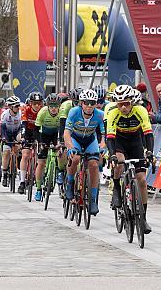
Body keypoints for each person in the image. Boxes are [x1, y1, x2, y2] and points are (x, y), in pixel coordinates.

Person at [106, 85, 153, 234]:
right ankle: (116, 188)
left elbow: (148, 134)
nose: (124, 107)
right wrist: (112, 154)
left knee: (142, 180)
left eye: (127, 103)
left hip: (135, 142)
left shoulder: (140, 110)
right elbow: (110, 138)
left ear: (132, 101)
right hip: (119, 142)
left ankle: (143, 218)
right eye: (120, 104)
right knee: (119, 161)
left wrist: (149, 151)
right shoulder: (113, 113)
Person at [64, 88, 105, 216]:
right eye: (86, 102)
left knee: (94, 165)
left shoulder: (99, 114)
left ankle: (92, 200)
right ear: (81, 103)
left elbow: (104, 134)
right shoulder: (74, 112)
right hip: (75, 138)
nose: (89, 106)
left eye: (92, 103)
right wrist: (70, 147)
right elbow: (67, 132)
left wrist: (103, 146)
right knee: (75, 159)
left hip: (90, 140)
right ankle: (70, 183)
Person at [33, 93, 66, 201]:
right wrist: (40, 142)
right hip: (44, 134)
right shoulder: (42, 112)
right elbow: (36, 129)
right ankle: (38, 189)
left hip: (56, 133)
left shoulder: (62, 112)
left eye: (56, 106)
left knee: (60, 152)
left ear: (59, 106)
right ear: (47, 106)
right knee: (41, 162)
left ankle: (60, 171)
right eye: (51, 106)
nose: (53, 109)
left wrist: (61, 142)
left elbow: (63, 128)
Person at [18, 92, 44, 194]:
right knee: (25, 155)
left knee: (41, 154)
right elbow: (23, 125)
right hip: (28, 131)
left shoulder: (43, 111)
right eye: (34, 103)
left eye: (39, 103)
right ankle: (22, 182)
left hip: (38, 132)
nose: (37, 106)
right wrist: (23, 137)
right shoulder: (25, 109)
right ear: (30, 103)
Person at [0, 96, 23, 189]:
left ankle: (17, 166)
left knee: (19, 145)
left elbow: (22, 127)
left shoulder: (20, 114)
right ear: (10, 107)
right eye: (16, 106)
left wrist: (21, 139)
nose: (18, 107)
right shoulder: (5, 114)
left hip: (16, 132)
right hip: (7, 133)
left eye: (18, 106)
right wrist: (4, 137)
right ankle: (5, 174)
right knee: (6, 152)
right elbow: (2, 127)